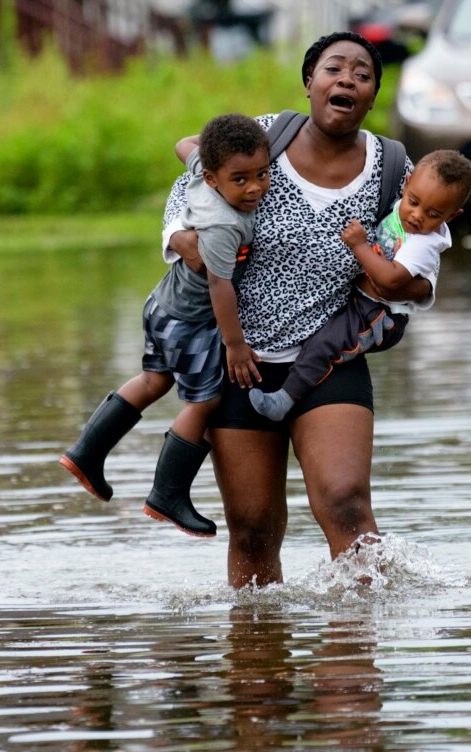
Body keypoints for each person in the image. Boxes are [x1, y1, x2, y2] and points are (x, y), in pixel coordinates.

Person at [164, 31, 432, 587]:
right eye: (334, 68)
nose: (347, 79)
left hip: (329, 356)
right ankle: (257, 660)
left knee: (345, 502)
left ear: (372, 97)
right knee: (253, 527)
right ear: (309, 82)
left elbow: (427, 237)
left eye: (362, 75)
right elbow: (190, 183)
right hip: (239, 359)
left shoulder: (394, 168)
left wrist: (413, 285)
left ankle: (358, 653)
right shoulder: (264, 136)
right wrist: (181, 239)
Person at [59, 113, 270, 538]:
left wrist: (209, 150)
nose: (254, 188)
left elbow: (182, 144)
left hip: (160, 306)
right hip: (191, 321)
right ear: (213, 180)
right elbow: (219, 284)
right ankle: (167, 494)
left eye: (262, 174)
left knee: (154, 380)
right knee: (204, 402)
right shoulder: (224, 224)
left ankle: (86, 452)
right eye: (240, 179)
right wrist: (234, 345)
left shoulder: (201, 170)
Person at [249, 150, 471, 421]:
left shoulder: (424, 244)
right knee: (319, 335)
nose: (417, 215)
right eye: (413, 202)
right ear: (407, 182)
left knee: (326, 344)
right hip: (361, 301)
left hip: (378, 316)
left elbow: (389, 280)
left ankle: (284, 400)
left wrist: (358, 246)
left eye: (433, 214)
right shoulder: (398, 206)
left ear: (451, 216)